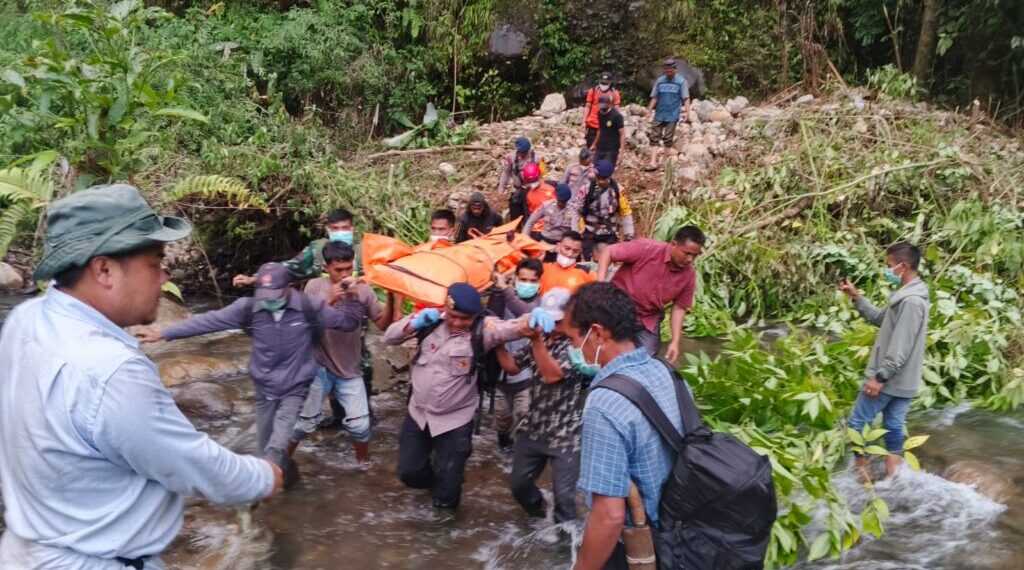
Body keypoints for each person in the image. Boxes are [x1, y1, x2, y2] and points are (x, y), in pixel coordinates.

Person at [0, 184, 281, 569]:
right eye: (155, 262)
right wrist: (263, 477)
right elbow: (189, 463)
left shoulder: (25, 320)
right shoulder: (111, 369)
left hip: (24, 549)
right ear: (103, 270)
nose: (163, 276)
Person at [138, 262, 366, 484]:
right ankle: (290, 481)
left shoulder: (309, 306)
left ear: (288, 287)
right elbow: (209, 321)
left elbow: (346, 323)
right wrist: (164, 333)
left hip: (296, 386)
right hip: (265, 386)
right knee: (266, 446)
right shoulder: (247, 308)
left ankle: (257, 495)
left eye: (275, 293)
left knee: (277, 444)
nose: (270, 300)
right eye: (265, 294)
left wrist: (353, 299)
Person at [386, 283, 552, 509]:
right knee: (408, 472)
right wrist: (412, 324)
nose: (457, 323)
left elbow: (509, 328)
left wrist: (532, 318)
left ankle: (444, 523)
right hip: (418, 413)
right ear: (446, 306)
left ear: (475, 316)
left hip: (454, 421)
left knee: (448, 495)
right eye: (453, 316)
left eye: (465, 318)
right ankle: (439, 480)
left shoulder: (483, 330)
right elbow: (390, 337)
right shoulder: (430, 322)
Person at [565, 282, 687, 570]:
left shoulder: (605, 403)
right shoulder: (666, 372)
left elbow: (609, 517)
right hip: (678, 536)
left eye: (572, 340)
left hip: (638, 546)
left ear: (596, 333)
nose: (572, 350)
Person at [289, 242, 400, 467]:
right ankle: (278, 460)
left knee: (360, 425)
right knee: (303, 424)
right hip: (317, 364)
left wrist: (390, 296)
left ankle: (362, 465)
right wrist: (329, 299)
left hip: (349, 367)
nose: (344, 275)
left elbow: (382, 324)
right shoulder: (314, 286)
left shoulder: (364, 291)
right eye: (338, 270)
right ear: (326, 267)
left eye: (349, 268)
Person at [839, 242, 930, 481]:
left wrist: (879, 377)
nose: (886, 269)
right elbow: (880, 318)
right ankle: (893, 483)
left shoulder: (911, 302)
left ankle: (863, 480)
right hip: (904, 383)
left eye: (889, 265)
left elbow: (901, 346)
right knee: (893, 430)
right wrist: (857, 297)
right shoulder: (907, 296)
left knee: (857, 424)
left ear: (904, 266)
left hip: (890, 379)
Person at [498, 288, 588, 525]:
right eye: (551, 319)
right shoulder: (543, 338)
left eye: (558, 321)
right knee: (519, 486)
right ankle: (537, 518)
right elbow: (512, 367)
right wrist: (496, 339)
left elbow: (552, 375)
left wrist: (536, 339)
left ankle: (564, 549)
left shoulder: (579, 344)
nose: (554, 326)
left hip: (565, 434)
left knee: (565, 500)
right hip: (534, 427)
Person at [596, 225, 705, 363]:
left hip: (647, 319)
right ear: (674, 244)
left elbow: (679, 308)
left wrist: (675, 341)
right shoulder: (646, 248)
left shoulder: (689, 275)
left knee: (647, 361)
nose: (690, 259)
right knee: (608, 355)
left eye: (695, 255)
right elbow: (609, 252)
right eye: (687, 253)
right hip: (616, 309)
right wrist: (599, 285)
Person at [491, 258, 546, 450]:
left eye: (532, 281)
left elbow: (525, 313)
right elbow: (490, 316)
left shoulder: (541, 306)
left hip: (527, 375)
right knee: (502, 418)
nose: (527, 284)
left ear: (539, 283)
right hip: (501, 373)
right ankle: (504, 449)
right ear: (515, 279)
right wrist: (498, 287)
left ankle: (521, 459)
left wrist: (505, 289)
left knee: (524, 416)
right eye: (523, 279)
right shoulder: (503, 298)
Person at [232, 208, 360, 287]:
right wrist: (254, 278)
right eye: (335, 228)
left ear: (352, 229)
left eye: (345, 228)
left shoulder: (366, 251)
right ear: (328, 230)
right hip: (324, 306)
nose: (340, 232)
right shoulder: (317, 249)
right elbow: (290, 267)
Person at [571, 160, 635, 260]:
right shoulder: (586, 189)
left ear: (609, 176)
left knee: (610, 261)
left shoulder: (618, 190)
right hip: (589, 232)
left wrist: (629, 234)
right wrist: (574, 232)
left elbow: (625, 213)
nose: (600, 181)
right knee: (586, 261)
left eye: (604, 179)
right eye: (598, 178)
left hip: (609, 233)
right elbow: (576, 211)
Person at [645, 59, 691, 172]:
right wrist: (649, 110)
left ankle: (664, 161)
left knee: (668, 138)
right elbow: (654, 96)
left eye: (671, 71)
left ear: (675, 70)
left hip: (672, 114)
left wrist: (687, 112)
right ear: (664, 70)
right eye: (667, 71)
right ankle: (653, 162)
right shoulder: (660, 81)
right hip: (660, 113)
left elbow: (686, 98)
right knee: (654, 137)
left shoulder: (681, 82)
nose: (669, 73)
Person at [499, 137, 542, 224]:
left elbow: (541, 174)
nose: (523, 154)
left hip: (532, 189)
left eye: (525, 152)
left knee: (530, 214)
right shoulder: (511, 157)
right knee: (515, 212)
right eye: (521, 152)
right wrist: (501, 189)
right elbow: (506, 173)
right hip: (517, 189)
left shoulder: (535, 157)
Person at [584, 72, 621, 149]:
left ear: (610, 82)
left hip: (606, 126)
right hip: (593, 125)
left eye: (606, 83)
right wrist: (583, 122)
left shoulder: (614, 93)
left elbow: (616, 111)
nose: (604, 85)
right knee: (590, 149)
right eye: (602, 83)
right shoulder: (593, 91)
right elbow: (587, 106)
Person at [589, 94, 626, 167]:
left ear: (609, 104)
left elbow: (622, 134)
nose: (602, 108)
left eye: (604, 106)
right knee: (594, 168)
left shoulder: (617, 116)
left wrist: (621, 151)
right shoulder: (600, 113)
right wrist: (594, 144)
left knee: (606, 169)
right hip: (601, 146)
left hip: (612, 149)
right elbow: (600, 129)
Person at [524, 171, 558, 240]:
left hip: (549, 225)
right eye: (530, 181)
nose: (532, 183)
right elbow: (530, 213)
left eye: (533, 180)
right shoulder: (528, 194)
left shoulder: (550, 189)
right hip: (536, 227)